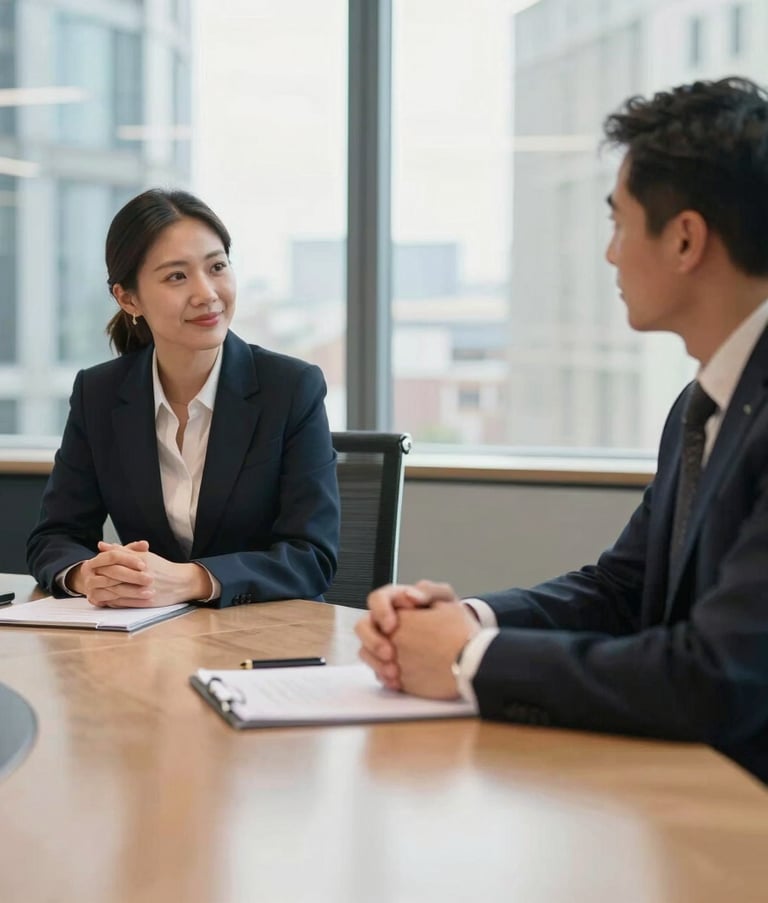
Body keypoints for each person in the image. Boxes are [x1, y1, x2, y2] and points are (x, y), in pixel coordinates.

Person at [356, 77, 768, 784]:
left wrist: (465, 660)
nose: (610, 254)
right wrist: (470, 619)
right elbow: (622, 589)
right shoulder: (701, 405)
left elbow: (715, 676)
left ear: (686, 238)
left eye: (618, 223)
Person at [27, 189, 339, 608]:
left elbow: (312, 557)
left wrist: (193, 580)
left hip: (267, 640)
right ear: (128, 298)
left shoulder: (291, 387)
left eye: (217, 267)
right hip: (148, 641)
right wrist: (89, 575)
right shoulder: (99, 394)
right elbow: (54, 536)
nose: (207, 293)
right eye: (177, 276)